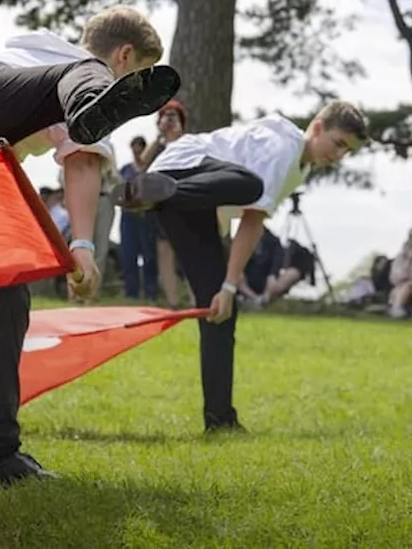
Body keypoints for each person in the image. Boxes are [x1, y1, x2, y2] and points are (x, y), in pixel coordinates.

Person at [0, 6, 178, 485]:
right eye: (139, 75)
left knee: (11, 289)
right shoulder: (71, 63)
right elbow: (82, 163)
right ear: (126, 55)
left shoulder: (25, 69)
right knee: (86, 81)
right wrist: (83, 245)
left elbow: (10, 167)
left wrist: (54, 250)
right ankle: (94, 92)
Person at [115, 102, 369, 432]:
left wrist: (225, 287)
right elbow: (252, 219)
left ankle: (220, 421)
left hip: (184, 199)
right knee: (253, 186)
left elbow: (240, 219)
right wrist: (232, 282)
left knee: (218, 310)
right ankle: (155, 193)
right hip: (184, 167)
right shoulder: (284, 148)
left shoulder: (298, 168)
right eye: (338, 143)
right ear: (317, 127)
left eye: (347, 151)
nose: (338, 156)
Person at [141, 101, 188, 307]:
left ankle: (195, 297)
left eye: (173, 116)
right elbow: (142, 162)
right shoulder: (157, 146)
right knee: (164, 251)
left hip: (185, 200)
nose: (169, 119)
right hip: (161, 202)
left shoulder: (188, 143)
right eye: (165, 115)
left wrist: (178, 135)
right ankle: (172, 301)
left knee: (187, 250)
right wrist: (160, 136)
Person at [118, 136, 159, 301]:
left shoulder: (152, 170)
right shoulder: (125, 170)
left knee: (149, 256)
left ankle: (151, 292)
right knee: (129, 255)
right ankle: (131, 292)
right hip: (128, 217)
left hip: (147, 217)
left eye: (140, 147)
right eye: (134, 147)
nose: (136, 151)